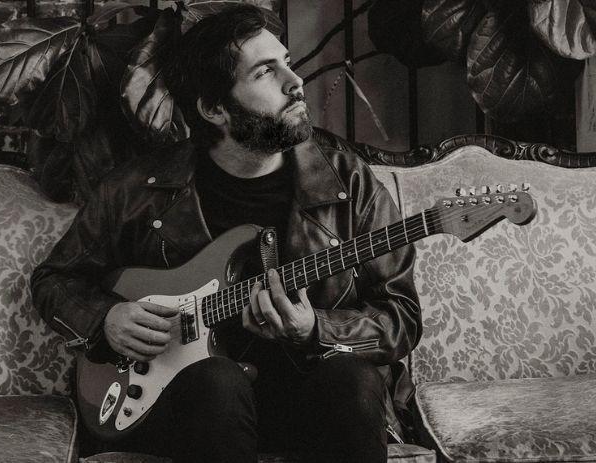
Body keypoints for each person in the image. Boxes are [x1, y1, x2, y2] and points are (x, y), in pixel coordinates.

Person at [31, 4, 421, 463]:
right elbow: (54, 279)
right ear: (214, 108)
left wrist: (316, 328)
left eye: (287, 63)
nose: (295, 83)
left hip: (310, 398)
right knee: (218, 382)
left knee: (353, 379)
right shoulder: (137, 189)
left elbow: (401, 317)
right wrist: (105, 320)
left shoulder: (347, 182)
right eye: (264, 72)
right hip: (185, 405)